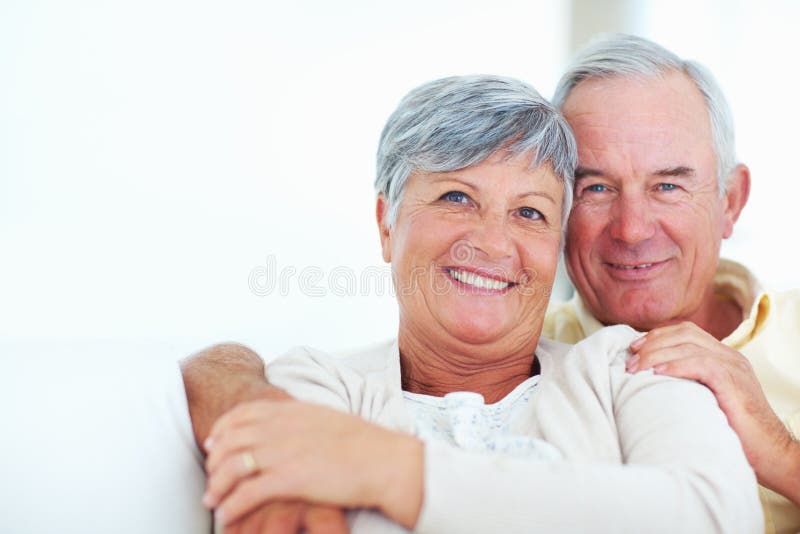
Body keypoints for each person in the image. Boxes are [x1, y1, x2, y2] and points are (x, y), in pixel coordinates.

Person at [184, 74, 761, 533]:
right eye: (456, 197)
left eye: (530, 212)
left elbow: (717, 517)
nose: (492, 243)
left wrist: (392, 471)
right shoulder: (319, 382)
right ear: (387, 224)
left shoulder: (629, 368)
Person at [541, 34, 800, 533]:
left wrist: (780, 452)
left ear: (730, 201)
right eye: (595, 187)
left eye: (668, 186)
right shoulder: (515, 362)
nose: (632, 228)